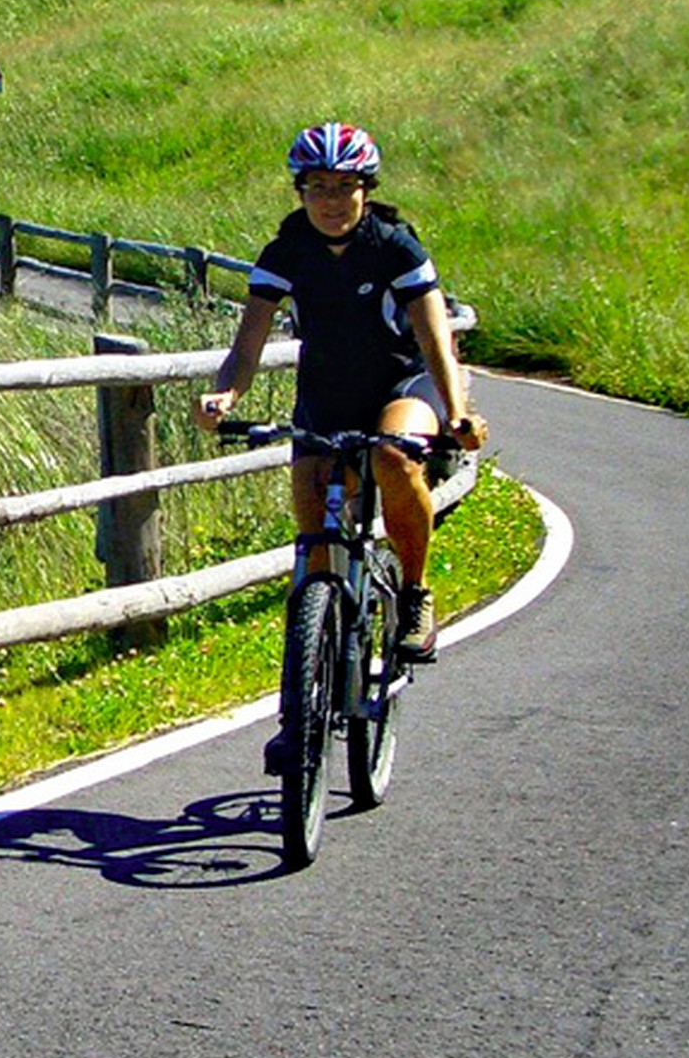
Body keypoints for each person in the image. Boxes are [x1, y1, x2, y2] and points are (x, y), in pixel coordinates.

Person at [194, 122, 487, 682]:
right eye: (318, 188)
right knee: (313, 550)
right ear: (301, 192)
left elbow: (434, 341)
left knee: (394, 459)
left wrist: (458, 412)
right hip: (327, 394)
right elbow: (246, 346)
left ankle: (415, 592)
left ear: (366, 190)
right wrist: (224, 394)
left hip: (403, 385)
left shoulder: (395, 247)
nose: (331, 201)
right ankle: (303, 705)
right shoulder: (287, 251)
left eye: (344, 186)